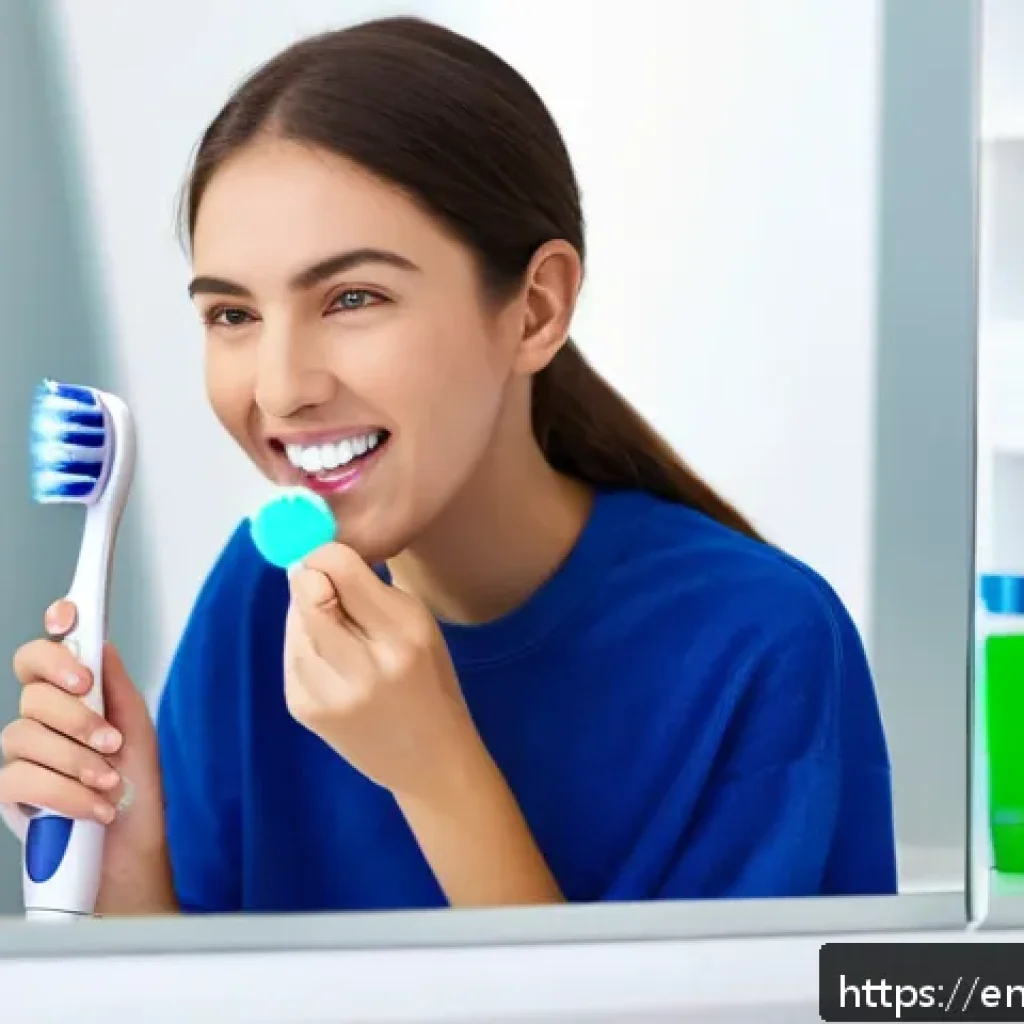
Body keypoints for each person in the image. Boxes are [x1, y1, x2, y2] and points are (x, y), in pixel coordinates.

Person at [0, 16, 898, 915]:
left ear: (536, 309)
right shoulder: (257, 600)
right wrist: (128, 868)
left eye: (353, 298)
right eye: (233, 315)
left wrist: (436, 773)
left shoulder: (760, 645)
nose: (280, 391)